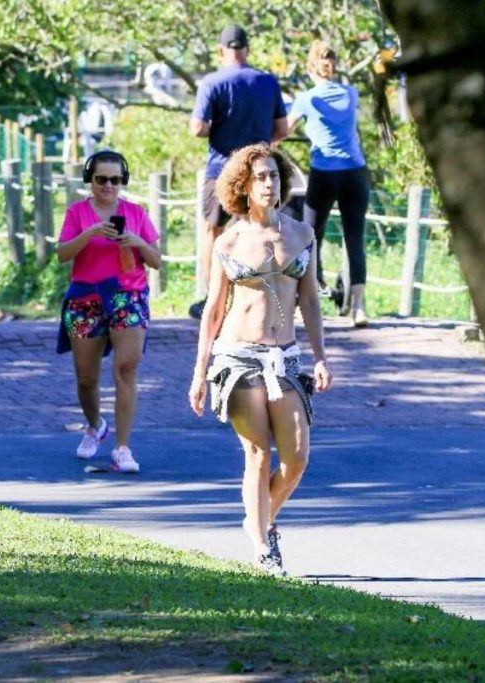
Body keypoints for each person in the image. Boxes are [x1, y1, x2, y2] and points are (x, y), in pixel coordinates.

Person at [188, 143, 332, 575]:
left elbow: (309, 299)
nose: (269, 184)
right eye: (260, 178)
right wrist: (199, 373)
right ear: (244, 186)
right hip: (238, 359)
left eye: (274, 176)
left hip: (285, 359)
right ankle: (264, 545)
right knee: (257, 454)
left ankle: (258, 519)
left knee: (297, 458)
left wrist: (320, 357)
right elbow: (213, 310)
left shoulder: (302, 234)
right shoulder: (229, 240)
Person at [56, 150, 162, 473]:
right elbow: (62, 254)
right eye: (101, 179)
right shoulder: (77, 213)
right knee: (86, 378)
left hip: (127, 295)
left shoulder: (136, 213)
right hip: (86, 296)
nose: (108, 186)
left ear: (123, 181)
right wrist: (89, 234)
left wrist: (136, 242)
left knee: (126, 369)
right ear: (91, 180)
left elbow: (156, 260)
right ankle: (95, 425)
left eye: (115, 180)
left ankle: (123, 447)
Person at [187, 23, 289, 320]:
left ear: (221, 50)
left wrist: (211, 127)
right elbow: (281, 129)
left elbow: (197, 128)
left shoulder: (212, 82)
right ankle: (265, 294)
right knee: (261, 229)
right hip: (259, 170)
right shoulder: (267, 81)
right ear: (247, 49)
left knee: (212, 230)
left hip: (220, 168)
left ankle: (211, 297)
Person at [287, 41, 372, 328]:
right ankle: (358, 308)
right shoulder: (351, 92)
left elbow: (284, 130)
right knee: (354, 240)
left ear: (310, 68)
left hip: (324, 174)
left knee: (309, 237)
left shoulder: (306, 99)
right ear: (334, 67)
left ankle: (308, 299)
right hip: (355, 174)